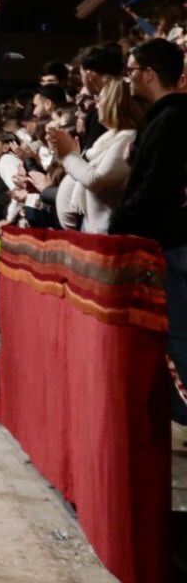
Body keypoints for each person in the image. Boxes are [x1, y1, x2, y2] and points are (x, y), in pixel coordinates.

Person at [108, 36, 187, 420]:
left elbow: (157, 186)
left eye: (133, 71)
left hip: (171, 244)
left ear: (151, 74)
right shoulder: (162, 119)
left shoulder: (172, 120)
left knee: (177, 335)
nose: (129, 79)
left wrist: (120, 223)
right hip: (165, 243)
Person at [55, 76, 144, 232]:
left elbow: (98, 181)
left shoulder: (128, 137)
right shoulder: (109, 138)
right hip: (93, 230)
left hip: (110, 234)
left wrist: (70, 155)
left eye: (101, 99)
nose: (97, 105)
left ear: (114, 104)